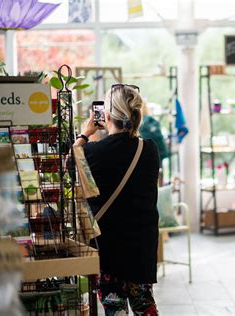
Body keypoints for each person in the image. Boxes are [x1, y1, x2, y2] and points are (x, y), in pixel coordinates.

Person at [75, 84, 160, 315]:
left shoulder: (92, 152)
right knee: (145, 305)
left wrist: (85, 134)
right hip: (141, 246)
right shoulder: (150, 150)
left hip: (109, 247)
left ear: (108, 116)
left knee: (115, 308)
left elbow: (70, 166)